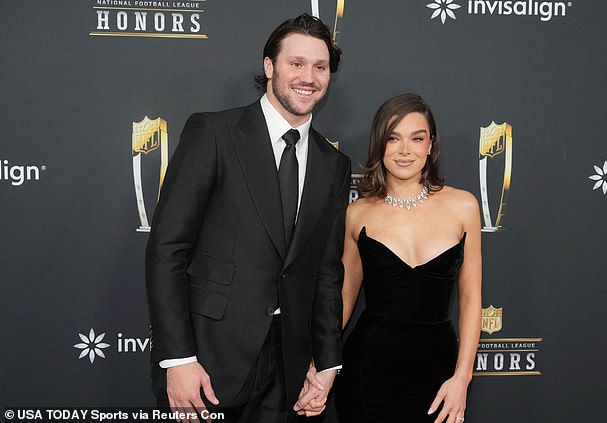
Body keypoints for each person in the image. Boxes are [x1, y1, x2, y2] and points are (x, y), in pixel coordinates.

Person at [145, 13, 350, 423]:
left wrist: (326, 366)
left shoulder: (334, 164)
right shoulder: (214, 133)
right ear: (269, 66)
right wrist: (178, 359)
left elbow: (327, 271)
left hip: (290, 370)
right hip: (207, 359)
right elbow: (168, 248)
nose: (308, 76)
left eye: (320, 66)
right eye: (296, 63)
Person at [335, 94, 482, 423]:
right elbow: (343, 299)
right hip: (368, 370)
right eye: (393, 138)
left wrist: (462, 377)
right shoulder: (357, 213)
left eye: (417, 138)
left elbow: (472, 299)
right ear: (379, 145)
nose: (405, 150)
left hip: (439, 372)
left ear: (431, 145)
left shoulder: (464, 206)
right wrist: (319, 364)